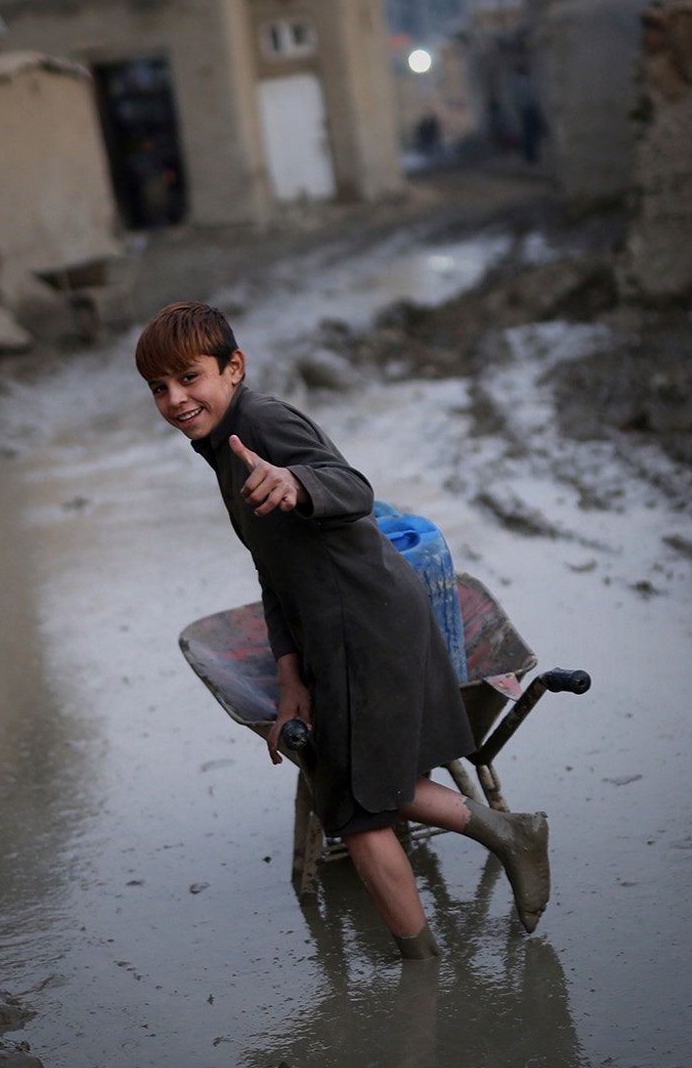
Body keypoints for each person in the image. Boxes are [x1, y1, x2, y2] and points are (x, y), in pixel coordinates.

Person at [137, 301, 550, 960]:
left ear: (233, 369)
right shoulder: (219, 450)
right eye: (159, 387)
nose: (175, 398)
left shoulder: (262, 422)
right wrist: (289, 674)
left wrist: (298, 485)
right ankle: (509, 836)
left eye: (189, 378)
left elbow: (353, 489)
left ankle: (424, 978)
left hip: (367, 622)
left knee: (356, 813)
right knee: (359, 792)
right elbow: (271, 567)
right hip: (334, 631)